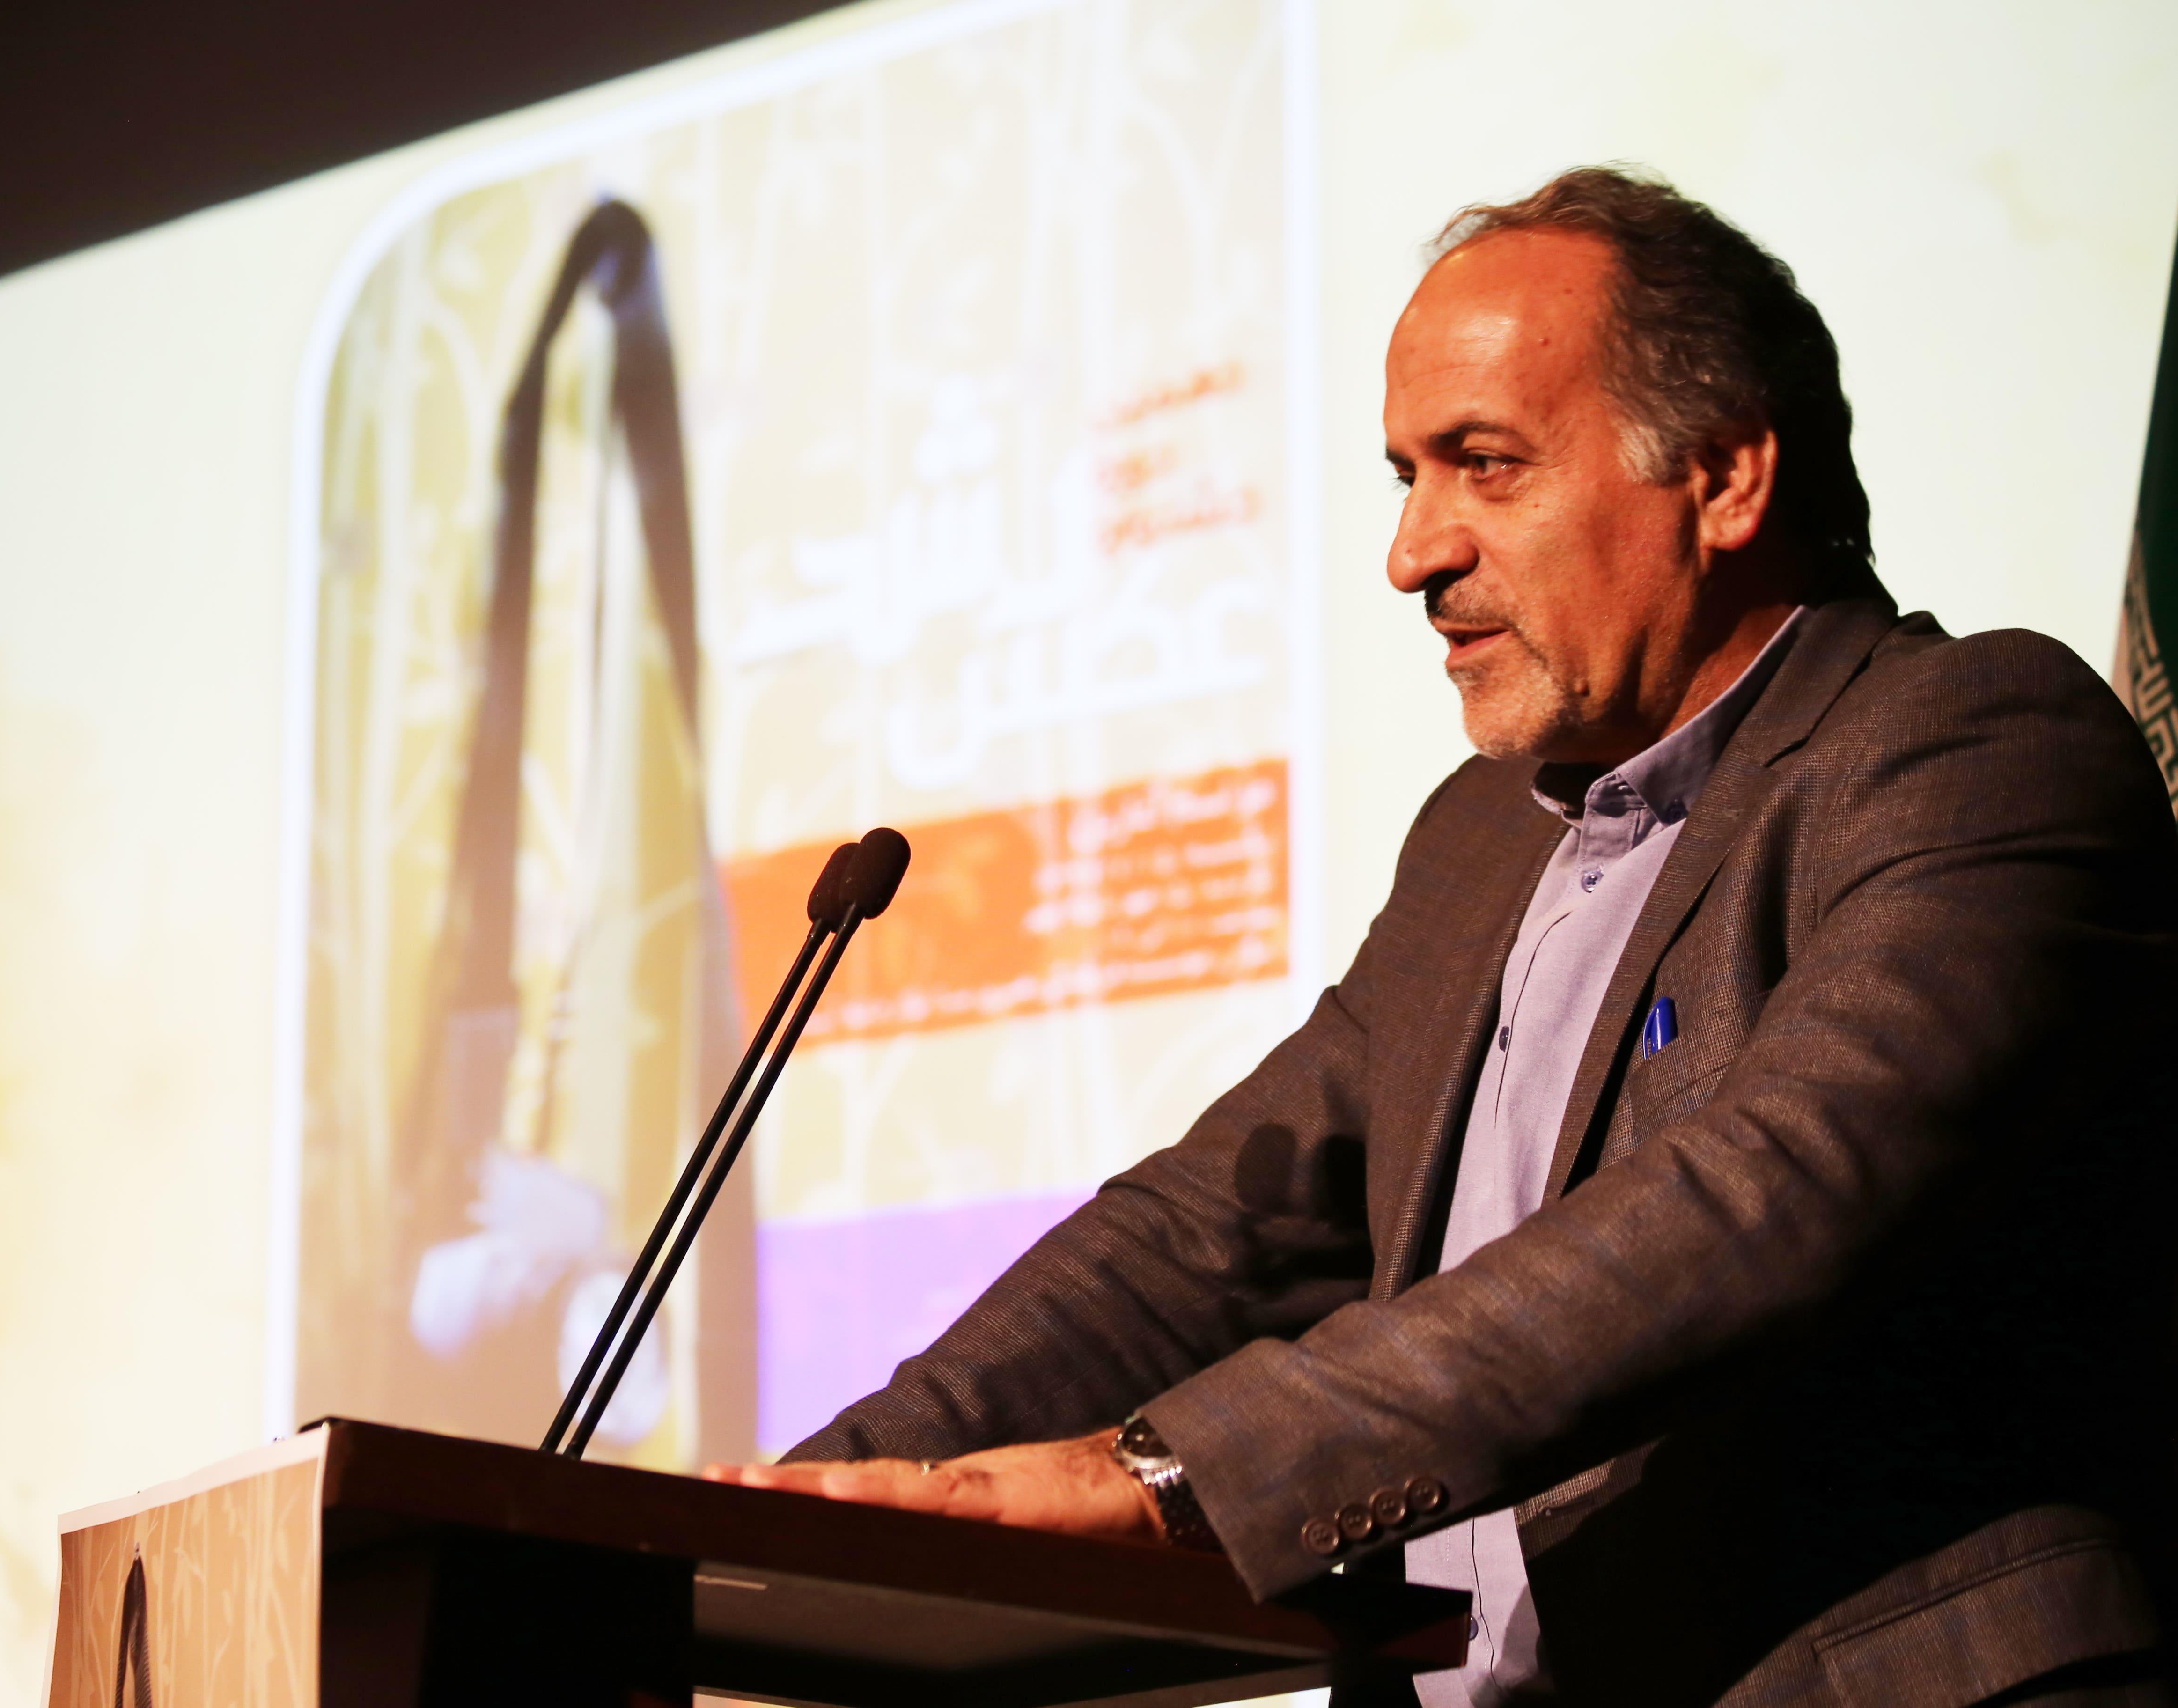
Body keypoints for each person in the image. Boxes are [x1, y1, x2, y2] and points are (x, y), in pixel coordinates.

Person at [708, 167, 2178, 1706]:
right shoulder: (1482, 841)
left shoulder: (1973, 745)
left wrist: (1174, 1477)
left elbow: (1764, 1196)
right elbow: (1208, 1234)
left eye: (1485, 465)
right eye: (1407, 477)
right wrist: (792, 1513)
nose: (1413, 553)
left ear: (1726, 478)